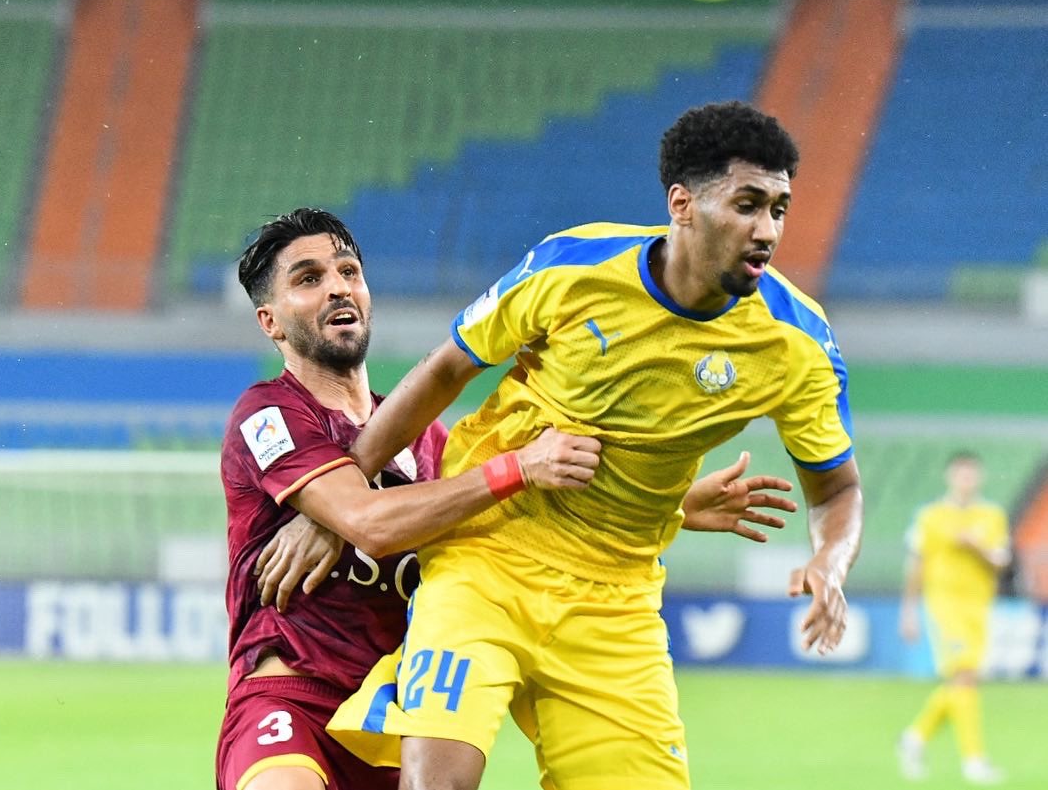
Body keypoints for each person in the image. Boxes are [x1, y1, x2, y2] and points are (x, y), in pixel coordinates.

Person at [328, 100, 865, 789]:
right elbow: (445, 370)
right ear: (681, 202)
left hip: (616, 600)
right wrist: (345, 489)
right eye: (747, 204)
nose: (767, 230)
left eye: (779, 209)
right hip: (486, 556)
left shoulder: (797, 344)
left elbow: (837, 486)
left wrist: (830, 556)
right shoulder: (570, 267)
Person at [217, 207, 799, 790]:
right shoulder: (271, 414)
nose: (338, 286)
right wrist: (513, 466)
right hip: (290, 698)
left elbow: (516, 519)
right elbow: (373, 523)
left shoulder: (429, 442)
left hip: (392, 710)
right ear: (271, 321)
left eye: (348, 271)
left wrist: (674, 505)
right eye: (309, 278)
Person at [897, 451, 1011, 785]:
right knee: (963, 676)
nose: (966, 480)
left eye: (971, 474)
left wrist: (977, 546)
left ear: (979, 478)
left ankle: (913, 738)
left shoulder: (991, 516)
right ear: (950, 477)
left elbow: (1002, 560)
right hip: (944, 605)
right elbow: (916, 563)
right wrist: (908, 610)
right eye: (961, 474)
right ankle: (974, 762)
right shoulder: (930, 517)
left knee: (966, 679)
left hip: (979, 607)